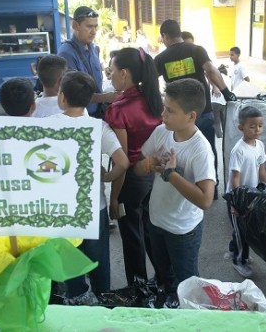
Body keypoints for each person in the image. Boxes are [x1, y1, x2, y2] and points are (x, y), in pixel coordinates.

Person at [51, 70, 129, 305]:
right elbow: (123, 162)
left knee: (70, 261)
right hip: (94, 207)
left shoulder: (47, 126)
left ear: (62, 97)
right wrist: (107, 177)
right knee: (98, 260)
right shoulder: (99, 127)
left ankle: (76, 300)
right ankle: (102, 300)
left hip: (62, 209)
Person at [134, 79, 216, 304]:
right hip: (157, 221)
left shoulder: (201, 150)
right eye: (164, 107)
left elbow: (206, 200)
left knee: (187, 284)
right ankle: (170, 305)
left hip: (183, 230)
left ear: (191, 116)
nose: (163, 114)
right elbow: (138, 168)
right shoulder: (162, 132)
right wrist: (150, 163)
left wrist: (171, 174)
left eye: (170, 111)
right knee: (165, 277)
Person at [154, 19, 236, 200]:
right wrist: (226, 92)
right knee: (207, 148)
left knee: (179, 149)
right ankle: (210, 189)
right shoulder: (196, 50)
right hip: (202, 109)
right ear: (179, 33)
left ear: (165, 36)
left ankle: (185, 186)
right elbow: (211, 70)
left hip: (178, 115)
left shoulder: (161, 59)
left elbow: (151, 82)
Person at [105, 47, 163, 286]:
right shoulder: (151, 98)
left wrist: (114, 198)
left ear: (125, 73)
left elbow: (124, 160)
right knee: (151, 231)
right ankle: (162, 279)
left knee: (132, 236)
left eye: (112, 71)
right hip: (153, 175)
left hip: (132, 181)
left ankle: (138, 288)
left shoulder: (119, 110)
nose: (110, 75)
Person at [226, 106, 266, 278]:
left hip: (252, 196)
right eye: (252, 126)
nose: (257, 129)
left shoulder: (260, 145)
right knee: (242, 231)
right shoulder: (239, 150)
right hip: (238, 198)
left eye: (260, 125)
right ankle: (239, 261)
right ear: (241, 127)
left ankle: (233, 250)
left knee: (244, 229)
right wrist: (236, 203)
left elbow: (262, 168)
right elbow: (235, 179)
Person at [57, 6, 118, 117]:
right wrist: (106, 97)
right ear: (75, 25)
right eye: (89, 26)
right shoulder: (66, 53)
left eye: (95, 27)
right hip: (82, 116)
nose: (93, 32)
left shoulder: (93, 48)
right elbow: (75, 94)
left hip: (99, 112)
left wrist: (108, 71)